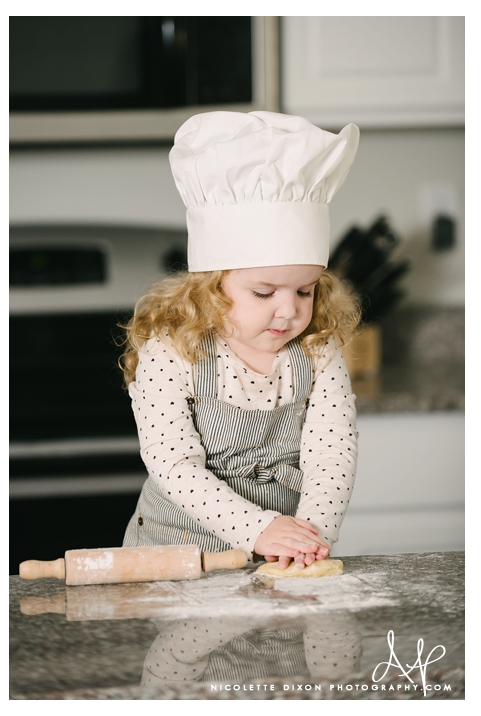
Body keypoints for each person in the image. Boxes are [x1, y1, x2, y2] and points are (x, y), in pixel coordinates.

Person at [121, 111, 361, 570]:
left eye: (305, 291)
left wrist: (310, 539)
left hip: (277, 558)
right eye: (264, 292)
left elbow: (332, 451)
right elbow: (173, 464)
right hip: (177, 560)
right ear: (209, 287)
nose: (289, 310)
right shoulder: (173, 351)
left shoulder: (316, 350)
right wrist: (258, 529)